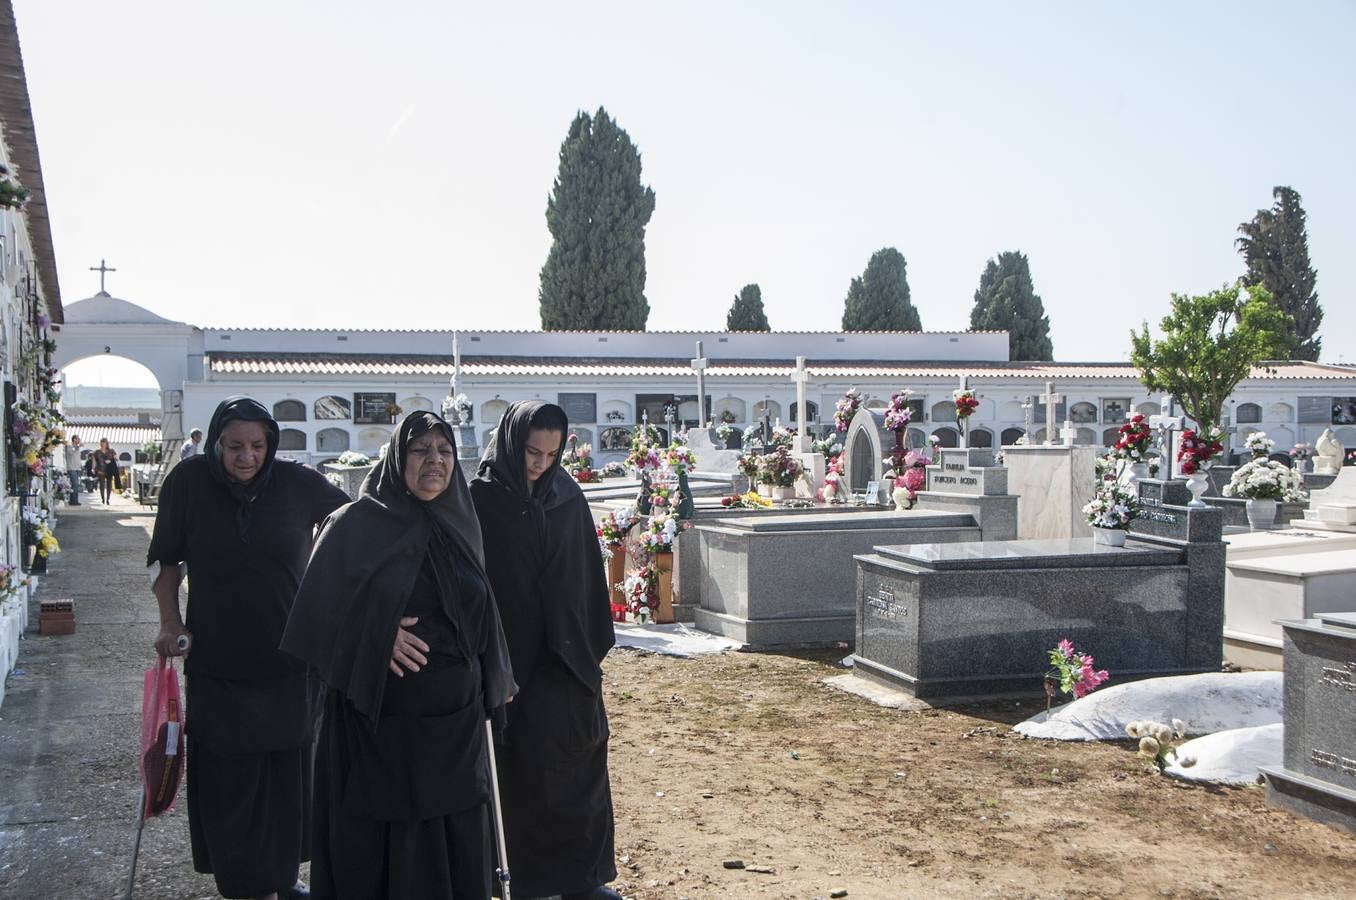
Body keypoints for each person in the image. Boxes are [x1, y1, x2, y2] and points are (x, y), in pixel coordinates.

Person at [282, 411, 516, 899]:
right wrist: (375, 633)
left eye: (444, 451)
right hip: (381, 735)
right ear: (397, 458)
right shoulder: (354, 526)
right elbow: (313, 621)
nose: (435, 461)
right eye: (420, 451)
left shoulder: (461, 522)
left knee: (452, 850)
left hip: (455, 731)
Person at [147, 397, 348, 900]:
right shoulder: (188, 484)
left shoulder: (298, 484)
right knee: (229, 777)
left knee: (287, 778)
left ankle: (281, 878)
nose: (246, 457)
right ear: (216, 441)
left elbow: (355, 523)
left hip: (291, 661)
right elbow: (166, 564)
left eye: (257, 446)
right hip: (219, 662)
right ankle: (241, 883)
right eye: (234, 446)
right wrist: (170, 622)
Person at [470, 401, 620, 900]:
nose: (539, 464)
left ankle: (582, 879)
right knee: (525, 780)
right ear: (513, 442)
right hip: (513, 665)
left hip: (567, 661)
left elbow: (587, 576)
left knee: (580, 769)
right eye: (532, 452)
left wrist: (587, 646)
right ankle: (529, 883)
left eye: (551, 454)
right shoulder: (480, 500)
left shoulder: (566, 494)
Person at [93, 437, 121, 504]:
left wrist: (111, 460)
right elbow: (94, 461)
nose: (103, 444)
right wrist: (93, 468)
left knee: (109, 485)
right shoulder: (97, 452)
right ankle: (103, 499)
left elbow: (116, 458)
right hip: (100, 469)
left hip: (109, 470)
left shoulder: (111, 451)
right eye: (102, 443)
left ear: (107, 443)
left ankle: (108, 499)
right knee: (102, 485)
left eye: (104, 443)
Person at [63, 433, 82, 505]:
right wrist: (78, 446)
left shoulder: (77, 447)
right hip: (72, 468)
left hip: (77, 468)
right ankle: (74, 501)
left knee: (75, 485)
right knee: (75, 484)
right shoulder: (69, 446)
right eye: (78, 439)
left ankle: (74, 500)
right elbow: (71, 452)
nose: (79, 440)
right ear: (74, 440)